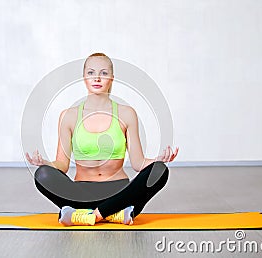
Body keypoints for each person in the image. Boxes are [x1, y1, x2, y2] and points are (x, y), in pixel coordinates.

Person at [26, 53, 178, 226]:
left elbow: (138, 162)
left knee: (160, 171)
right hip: (81, 192)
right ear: (84, 78)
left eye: (104, 73)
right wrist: (44, 162)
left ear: (112, 78)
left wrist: (159, 160)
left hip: (119, 191)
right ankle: (115, 213)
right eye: (91, 73)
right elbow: (62, 164)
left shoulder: (126, 113)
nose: (97, 77)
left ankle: (91, 215)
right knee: (42, 174)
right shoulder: (68, 116)